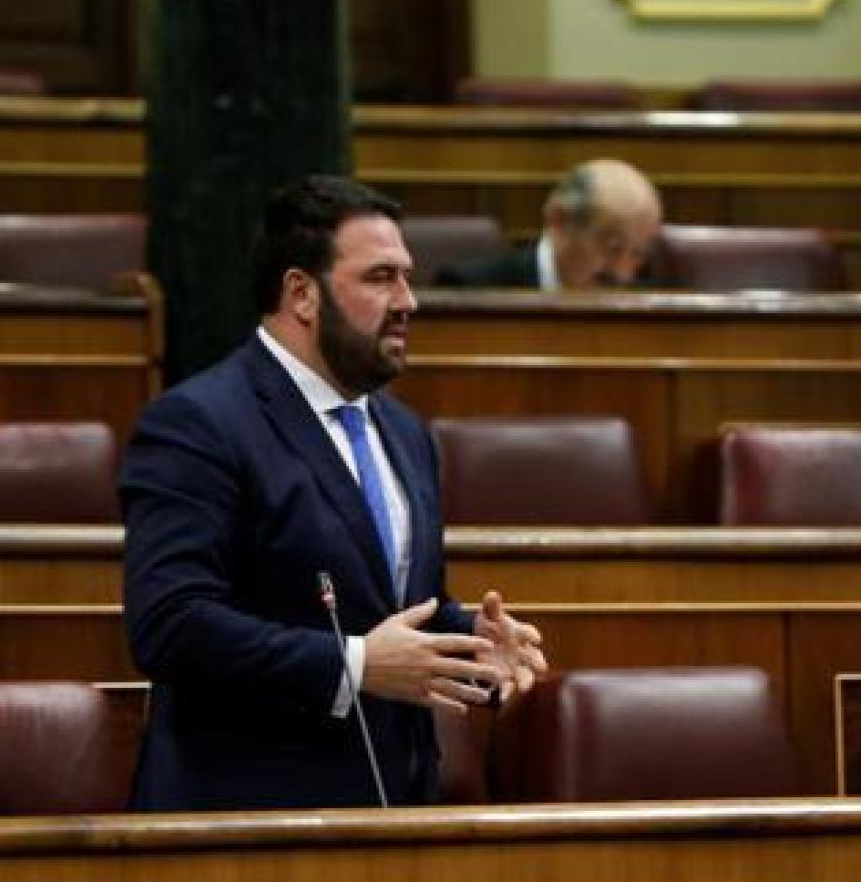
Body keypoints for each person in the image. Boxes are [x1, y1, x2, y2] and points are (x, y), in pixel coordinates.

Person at [121, 175, 547, 811]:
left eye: (407, 276)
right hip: (248, 817)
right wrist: (353, 666)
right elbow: (170, 625)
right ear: (302, 293)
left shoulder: (404, 432)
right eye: (381, 278)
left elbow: (386, 603)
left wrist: (472, 644)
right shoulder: (199, 423)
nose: (409, 300)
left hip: (395, 809)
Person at [434, 158, 662, 289]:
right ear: (559, 219)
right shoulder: (472, 289)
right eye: (612, 247)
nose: (623, 273)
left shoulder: (655, 306)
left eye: (638, 254)